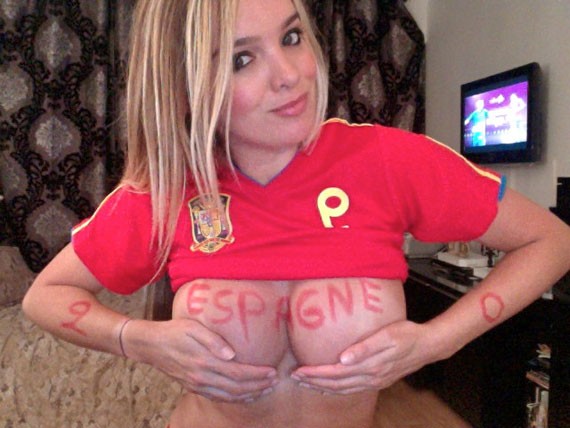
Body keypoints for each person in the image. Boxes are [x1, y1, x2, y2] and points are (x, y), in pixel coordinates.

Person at [22, 0, 570, 427]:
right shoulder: (167, 190)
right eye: (241, 59)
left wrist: (437, 341)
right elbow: (45, 297)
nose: (288, 74)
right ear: (186, 90)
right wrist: (137, 339)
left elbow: (552, 240)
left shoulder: (388, 161)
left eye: (291, 37)